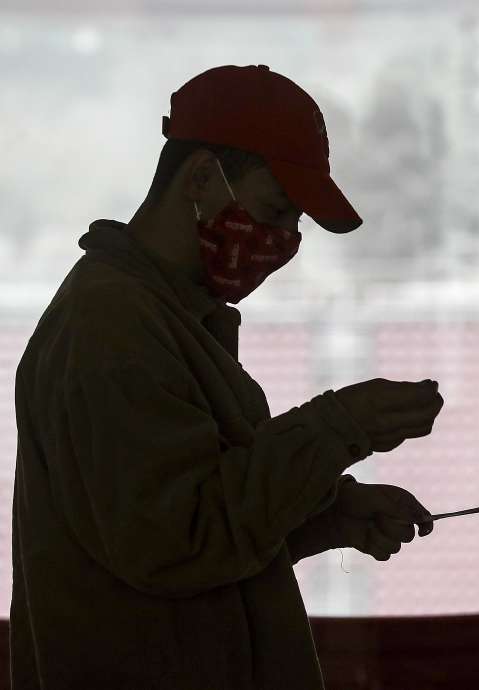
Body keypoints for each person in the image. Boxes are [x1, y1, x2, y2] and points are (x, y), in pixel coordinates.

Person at [10, 65, 445, 689]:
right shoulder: (111, 327)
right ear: (201, 177)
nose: (283, 240)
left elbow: (193, 530)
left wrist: (325, 517)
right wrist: (336, 428)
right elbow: (176, 541)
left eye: (294, 223)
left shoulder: (168, 317)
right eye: (274, 209)